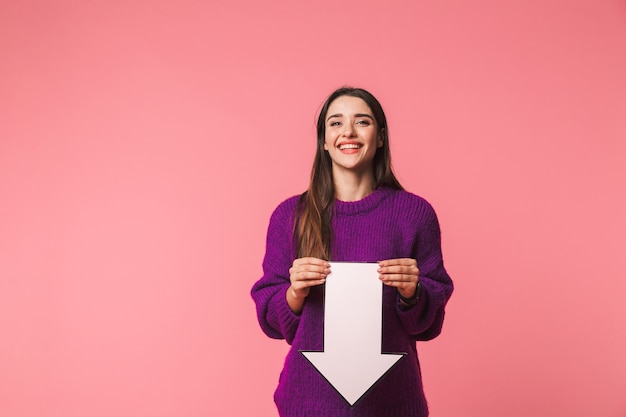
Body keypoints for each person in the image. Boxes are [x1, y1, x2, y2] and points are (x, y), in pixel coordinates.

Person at [251, 86, 454, 417]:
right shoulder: (290, 216)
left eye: (362, 121)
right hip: (307, 403)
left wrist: (412, 293)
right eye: (335, 123)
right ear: (323, 141)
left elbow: (428, 324)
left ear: (381, 137)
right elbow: (272, 320)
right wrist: (295, 292)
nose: (348, 132)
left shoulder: (414, 214)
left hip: (394, 403)